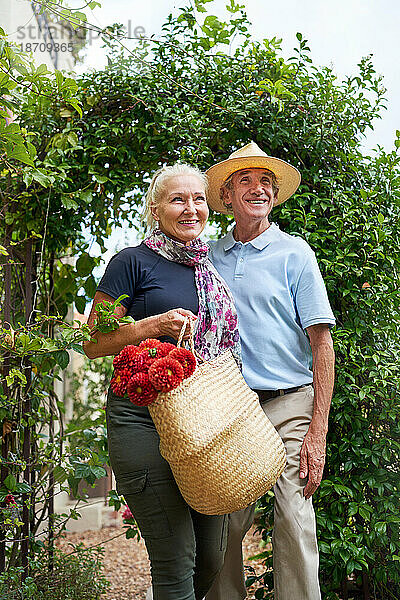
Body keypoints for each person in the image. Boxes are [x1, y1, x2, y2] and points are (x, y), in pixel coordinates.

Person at [83, 163, 242, 600]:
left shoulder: (212, 267)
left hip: (202, 423)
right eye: (177, 199)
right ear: (156, 209)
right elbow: (93, 341)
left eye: (197, 199)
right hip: (141, 420)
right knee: (176, 559)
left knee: (212, 556)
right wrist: (151, 326)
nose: (190, 209)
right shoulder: (131, 263)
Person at [205, 142, 336, 600]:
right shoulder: (208, 257)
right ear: (226, 196)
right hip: (232, 409)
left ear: (274, 196)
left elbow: (321, 342)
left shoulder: (295, 254)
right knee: (223, 522)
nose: (258, 189)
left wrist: (317, 430)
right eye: (245, 180)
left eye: (266, 182)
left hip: (290, 400)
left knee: (293, 515)